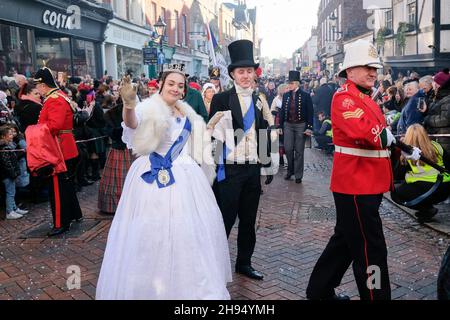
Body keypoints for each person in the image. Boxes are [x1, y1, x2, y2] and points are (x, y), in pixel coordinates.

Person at [96, 66, 231, 300]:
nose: (176, 88)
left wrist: (210, 127)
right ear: (161, 83)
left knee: (187, 232)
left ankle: (187, 286)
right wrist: (128, 104)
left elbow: (193, 142)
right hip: (151, 176)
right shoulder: (148, 107)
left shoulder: (185, 111)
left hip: (186, 175)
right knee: (151, 231)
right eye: (171, 83)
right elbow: (132, 124)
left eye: (180, 85)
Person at [306, 40, 396, 301]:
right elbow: (368, 133)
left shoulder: (363, 97)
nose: (372, 73)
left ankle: (319, 291)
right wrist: (386, 136)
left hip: (365, 184)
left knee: (345, 243)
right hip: (357, 186)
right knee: (371, 250)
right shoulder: (345, 98)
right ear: (350, 71)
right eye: (366, 67)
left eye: (374, 68)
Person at [209, 39, 269, 280]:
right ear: (232, 74)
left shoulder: (260, 99)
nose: (246, 76)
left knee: (248, 220)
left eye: (249, 71)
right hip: (229, 170)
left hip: (252, 169)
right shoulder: (221, 99)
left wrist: (266, 164)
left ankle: (244, 262)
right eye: (241, 71)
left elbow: (264, 131)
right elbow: (212, 136)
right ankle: (216, 265)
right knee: (224, 219)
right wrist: (215, 167)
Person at [32, 67, 83, 237]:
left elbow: (54, 126)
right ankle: (75, 214)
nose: (37, 90)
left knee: (57, 188)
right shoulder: (59, 96)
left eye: (37, 86)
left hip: (59, 149)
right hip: (64, 147)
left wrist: (35, 132)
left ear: (43, 85)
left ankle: (61, 222)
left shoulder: (54, 99)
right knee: (66, 184)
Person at [391, 124, 450, 222]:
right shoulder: (437, 146)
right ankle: (427, 209)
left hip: (426, 189)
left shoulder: (408, 153)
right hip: (444, 187)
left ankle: (426, 209)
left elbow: (397, 175)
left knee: (396, 194)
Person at [97, 98, 133, 214]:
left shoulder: (137, 111)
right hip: (121, 150)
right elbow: (110, 132)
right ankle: (117, 206)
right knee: (119, 179)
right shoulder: (112, 114)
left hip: (129, 149)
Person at [279, 70, 314, 184]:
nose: (289, 85)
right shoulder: (286, 95)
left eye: (292, 83)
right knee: (288, 149)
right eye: (289, 83)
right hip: (288, 125)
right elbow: (282, 111)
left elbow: (310, 112)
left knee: (299, 151)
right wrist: (280, 125)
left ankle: (298, 175)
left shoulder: (306, 95)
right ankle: (290, 170)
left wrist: (309, 127)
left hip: (300, 125)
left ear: (297, 83)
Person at [0, 125, 29, 220]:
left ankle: (14, 208)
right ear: (3, 136)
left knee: (13, 191)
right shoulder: (4, 148)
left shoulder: (9, 145)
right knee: (10, 192)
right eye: (9, 134)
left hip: (11, 174)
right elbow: (7, 163)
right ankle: (10, 211)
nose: (12, 135)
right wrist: (13, 173)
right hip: (7, 175)